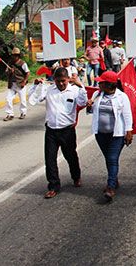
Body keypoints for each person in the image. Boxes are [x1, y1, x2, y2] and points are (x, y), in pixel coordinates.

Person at [32, 67, 88, 199]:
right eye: (58, 81)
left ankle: (76, 176)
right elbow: (34, 100)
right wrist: (35, 86)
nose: (61, 84)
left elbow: (83, 102)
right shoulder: (49, 90)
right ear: (54, 80)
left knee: (71, 156)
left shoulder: (74, 90)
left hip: (67, 130)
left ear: (68, 79)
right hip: (51, 130)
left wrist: (81, 87)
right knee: (50, 159)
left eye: (63, 81)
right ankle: (53, 186)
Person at [87, 70, 133, 201]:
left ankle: (110, 187)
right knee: (108, 158)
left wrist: (128, 132)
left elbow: (127, 115)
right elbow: (92, 112)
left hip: (116, 135)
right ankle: (114, 179)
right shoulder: (97, 94)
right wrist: (89, 106)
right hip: (100, 134)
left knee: (112, 158)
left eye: (101, 82)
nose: (98, 84)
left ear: (108, 85)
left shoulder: (121, 96)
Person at [4, 47, 30, 121]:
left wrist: (24, 81)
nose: (14, 57)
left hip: (20, 83)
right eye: (13, 55)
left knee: (23, 100)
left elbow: (28, 72)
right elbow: (6, 73)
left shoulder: (23, 63)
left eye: (16, 55)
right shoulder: (10, 63)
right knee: (8, 99)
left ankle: (23, 112)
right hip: (12, 84)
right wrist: (10, 71)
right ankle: (10, 114)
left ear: (18, 56)